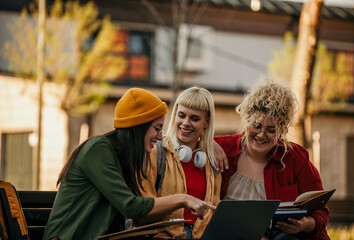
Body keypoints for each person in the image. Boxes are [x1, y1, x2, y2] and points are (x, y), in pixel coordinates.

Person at [43, 87, 216, 240]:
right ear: (137, 126)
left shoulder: (126, 155)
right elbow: (130, 206)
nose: (160, 137)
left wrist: (214, 144)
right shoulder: (98, 150)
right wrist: (182, 199)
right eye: (157, 128)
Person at [214, 80, 330, 240]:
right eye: (256, 126)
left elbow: (320, 211)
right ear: (247, 121)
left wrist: (304, 224)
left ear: (281, 130)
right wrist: (205, 143)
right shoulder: (223, 148)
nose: (261, 135)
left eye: (271, 130)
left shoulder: (295, 158)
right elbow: (183, 141)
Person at [139, 86, 222, 239]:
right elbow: (141, 210)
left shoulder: (211, 162)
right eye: (181, 115)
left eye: (195, 118)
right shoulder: (155, 152)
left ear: (207, 122)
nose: (186, 123)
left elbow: (213, 214)